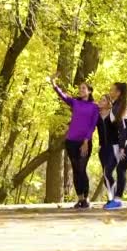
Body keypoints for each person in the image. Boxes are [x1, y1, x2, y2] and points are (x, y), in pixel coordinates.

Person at [50, 76, 99, 209]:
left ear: (89, 91)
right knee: (76, 170)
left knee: (82, 169)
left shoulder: (94, 107)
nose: (80, 90)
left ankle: (86, 199)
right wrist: (54, 85)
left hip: (85, 142)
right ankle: (80, 199)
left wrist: (85, 141)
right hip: (71, 141)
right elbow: (63, 96)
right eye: (79, 88)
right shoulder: (75, 103)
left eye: (83, 88)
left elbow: (92, 126)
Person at [96, 94, 118, 203]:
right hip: (102, 148)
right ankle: (112, 198)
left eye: (103, 100)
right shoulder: (97, 116)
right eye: (100, 100)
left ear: (108, 103)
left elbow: (123, 127)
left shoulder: (113, 114)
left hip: (114, 147)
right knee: (105, 174)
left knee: (107, 172)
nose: (101, 101)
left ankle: (114, 197)